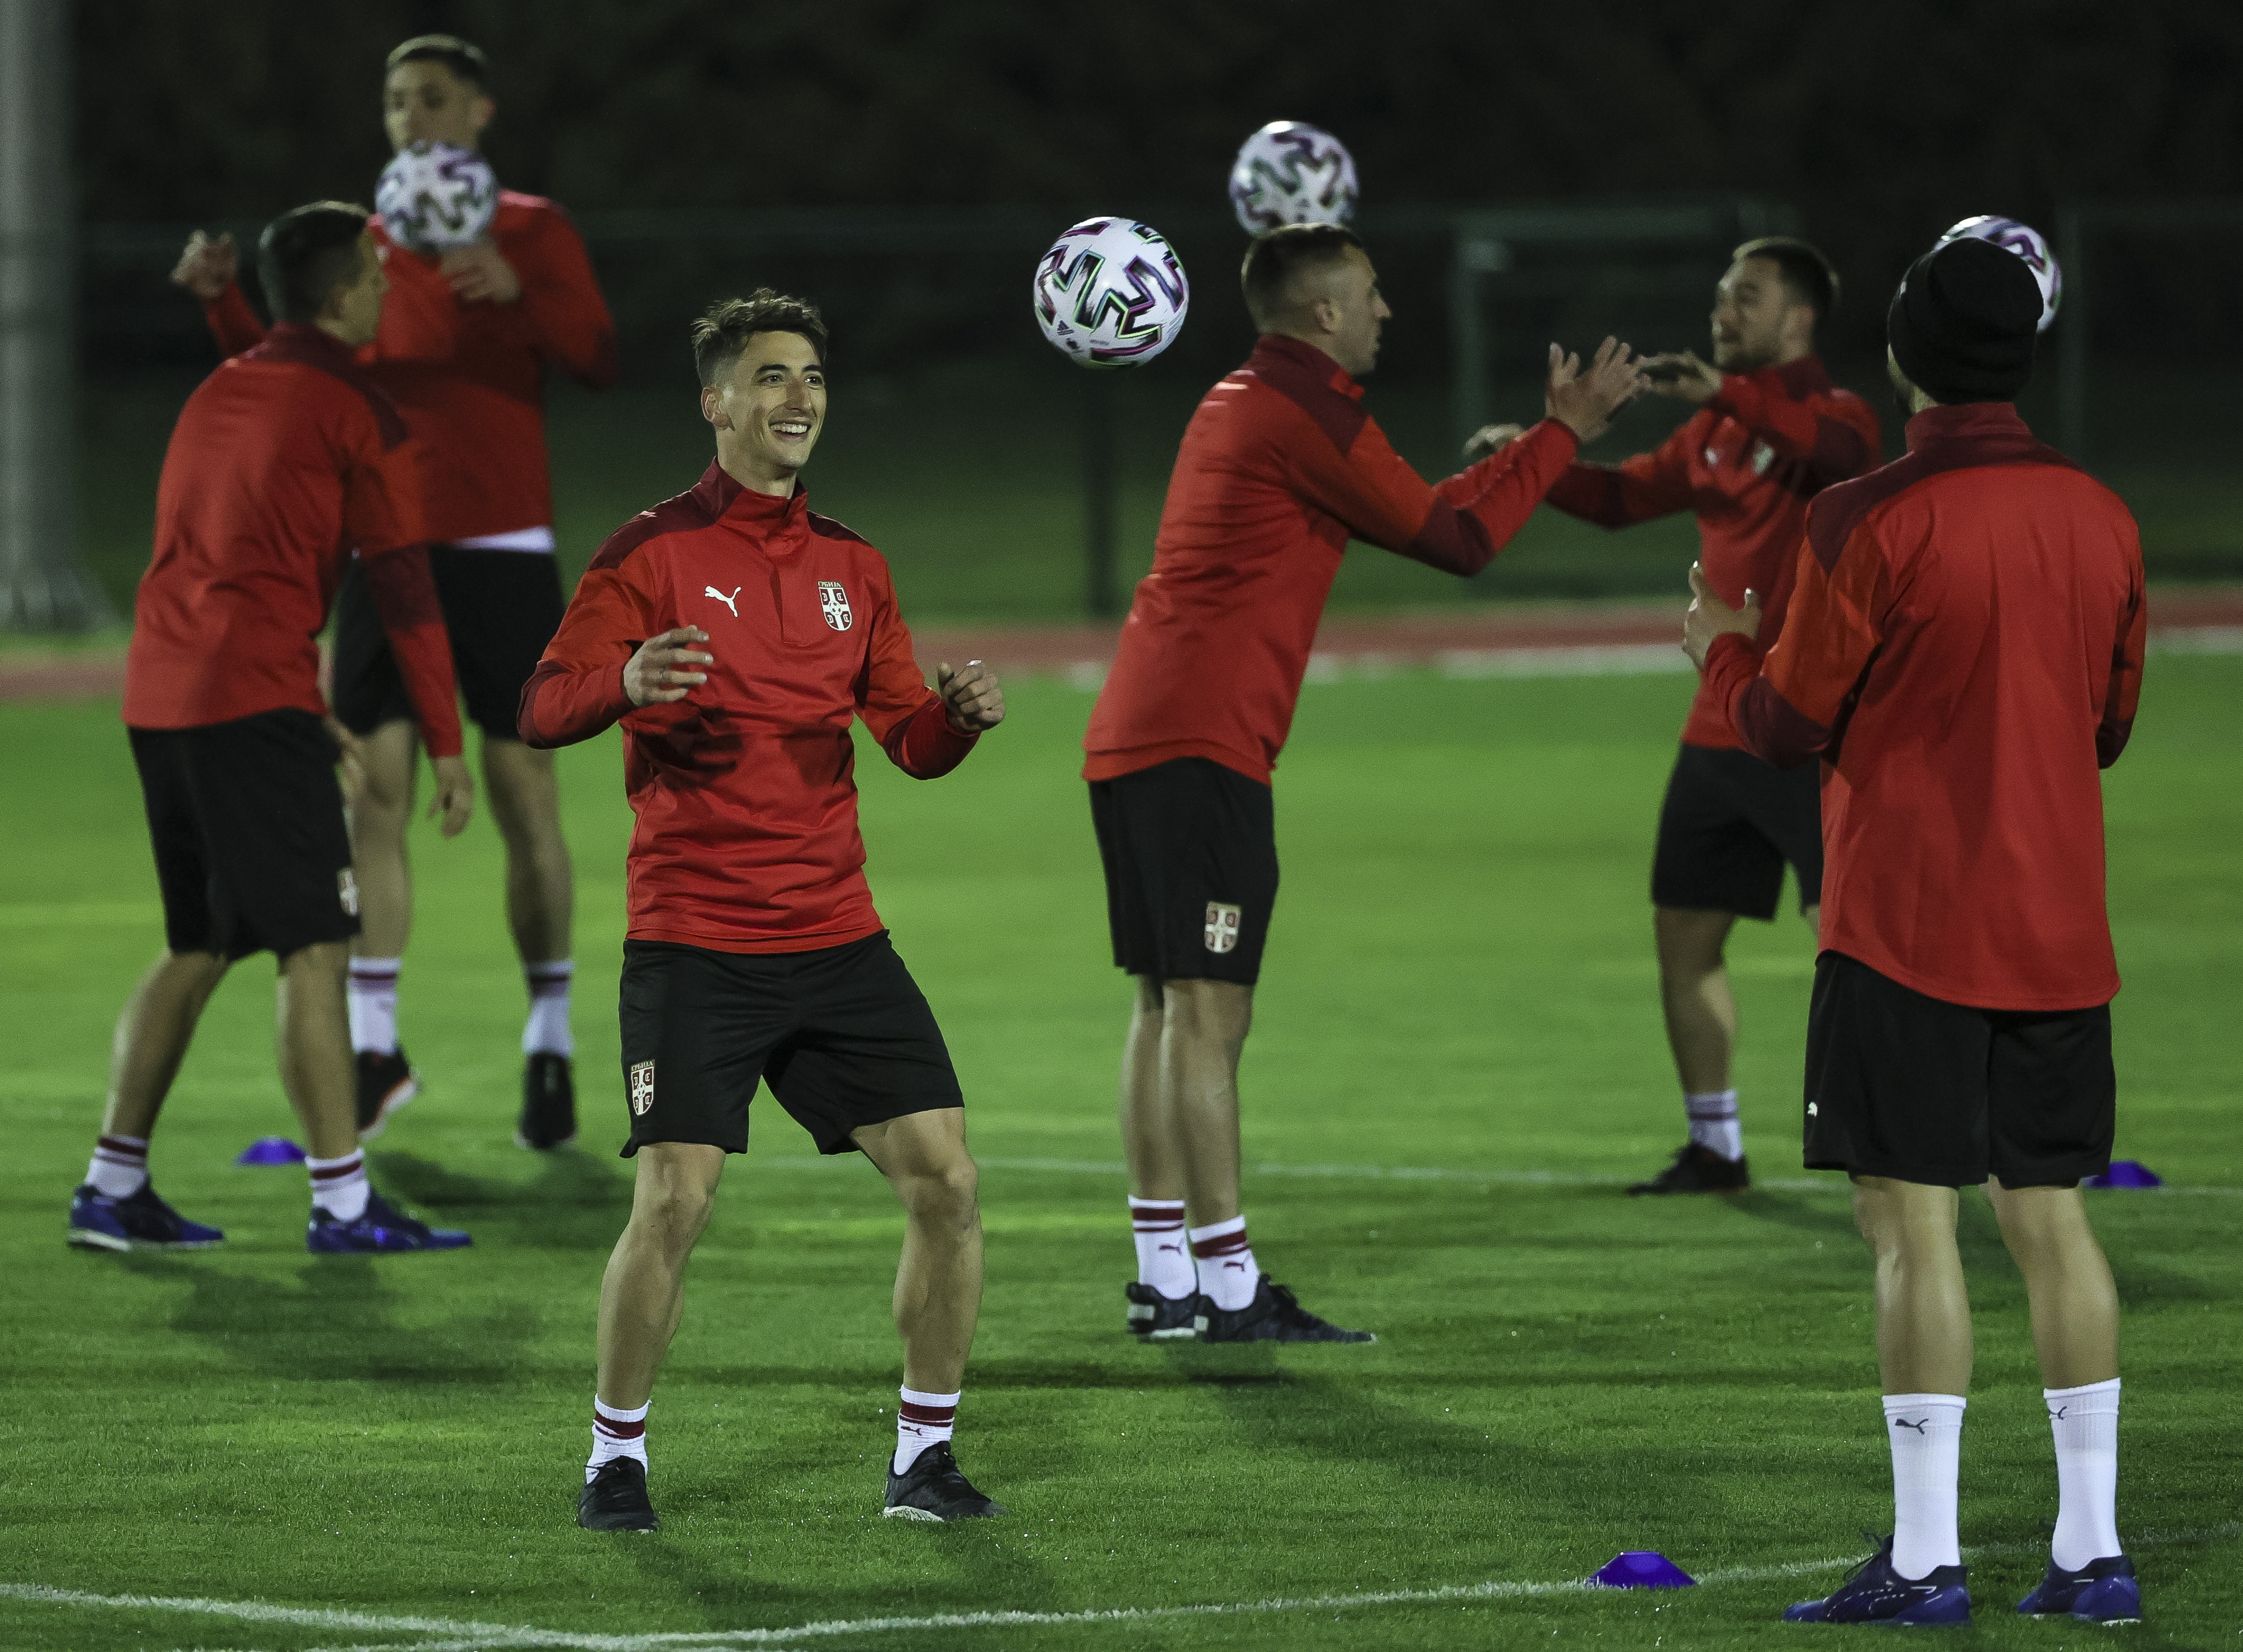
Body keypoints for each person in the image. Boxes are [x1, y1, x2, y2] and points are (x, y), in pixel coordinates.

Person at [1684, 235, 2146, 1627]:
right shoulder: (2106, 516)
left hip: (1906, 930)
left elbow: (1783, 722)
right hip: (2059, 928)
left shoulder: (1865, 518)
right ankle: (2089, 1554)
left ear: (1904, 355)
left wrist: (1724, 639)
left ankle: (1929, 1559)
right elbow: (2110, 726)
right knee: (2053, 1221)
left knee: (1911, 1229)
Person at [1085, 223, 1645, 1344]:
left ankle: (1166, 1272)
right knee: (1210, 1009)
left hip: (1141, 731)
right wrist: (1563, 434)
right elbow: (1462, 539)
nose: (1388, 311)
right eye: (1374, 294)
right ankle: (1228, 1287)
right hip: (1203, 742)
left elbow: (1424, 510)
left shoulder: (1246, 397)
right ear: (1326, 312)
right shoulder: (1304, 410)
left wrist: (1531, 445)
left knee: (1162, 1002)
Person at [519, 291, 1009, 1531]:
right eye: (771, 376)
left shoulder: (856, 564)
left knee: (947, 1181)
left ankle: (925, 1458)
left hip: (838, 935)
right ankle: (615, 1457)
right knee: (676, 1196)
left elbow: (904, 736)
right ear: (716, 400)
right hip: (697, 938)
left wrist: (950, 716)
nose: (799, 398)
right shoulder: (649, 553)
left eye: (811, 377)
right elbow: (541, 701)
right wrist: (623, 680)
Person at [169, 33, 618, 1151]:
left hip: (506, 544)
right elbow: (307, 362)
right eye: (396, 101)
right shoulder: (364, 245)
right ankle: (375, 1051)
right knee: (373, 792)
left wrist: (518, 295)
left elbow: (601, 356)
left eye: (432, 99)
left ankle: (550, 1036)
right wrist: (229, 309)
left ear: (480, 111)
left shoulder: (532, 227)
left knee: (525, 800)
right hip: (386, 548)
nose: (412, 118)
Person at [72, 202, 476, 1257]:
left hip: (162, 696)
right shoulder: (360, 412)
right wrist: (444, 740)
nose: (388, 291)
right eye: (377, 279)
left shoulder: (227, 384)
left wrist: (222, 308)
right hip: (249, 698)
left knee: (199, 942)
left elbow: (266, 437)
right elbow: (405, 591)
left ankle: (112, 1188)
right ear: (342, 297)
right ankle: (343, 1203)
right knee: (317, 944)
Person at [1469, 238, 1882, 1196]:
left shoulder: (1832, 414)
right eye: (1720, 297)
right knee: (1683, 943)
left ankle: (1879, 1134)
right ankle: (1715, 1146)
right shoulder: (1712, 432)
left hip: (1808, 736)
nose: (1723, 312)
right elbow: (1621, 499)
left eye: (1746, 298)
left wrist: (1724, 396)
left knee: (1853, 948)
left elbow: (1845, 454)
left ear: (1799, 320)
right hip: (1717, 730)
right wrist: (1532, 458)